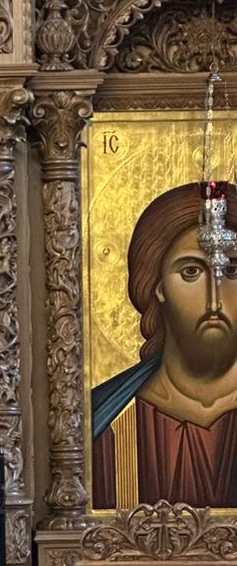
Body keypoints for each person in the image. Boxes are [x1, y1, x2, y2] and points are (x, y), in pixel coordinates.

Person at [92, 182, 237, 508]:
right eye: (191, 272)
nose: (214, 301)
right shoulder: (106, 423)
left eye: (232, 270)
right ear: (156, 285)